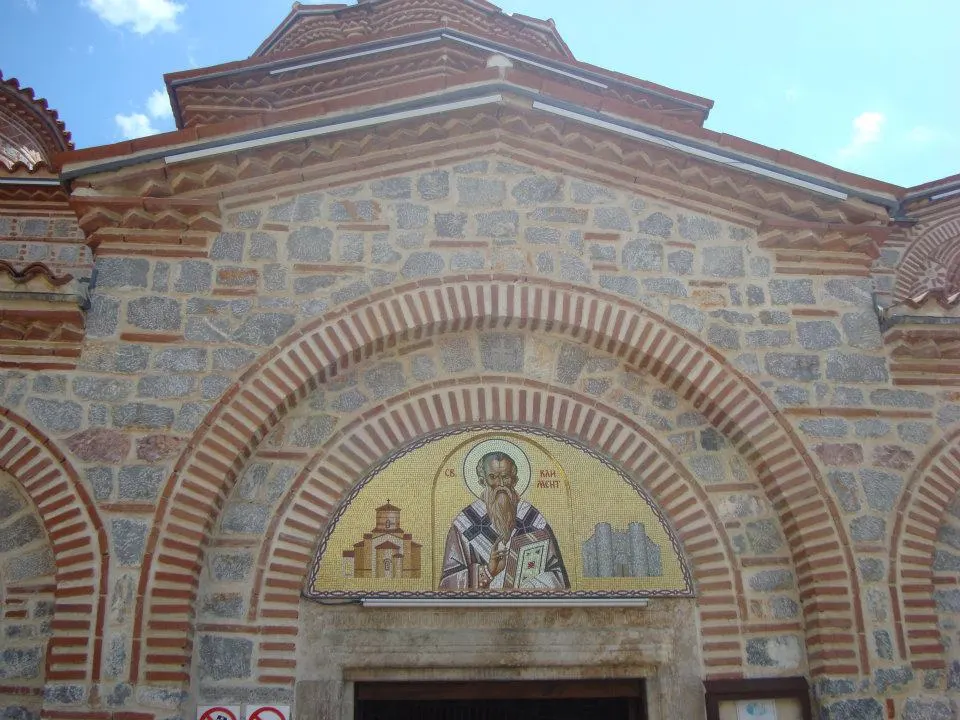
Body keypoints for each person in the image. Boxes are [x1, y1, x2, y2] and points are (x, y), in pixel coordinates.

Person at [439, 451, 569, 590]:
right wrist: (488, 571)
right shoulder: (464, 524)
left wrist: (528, 585)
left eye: (505, 477)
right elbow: (448, 583)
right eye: (493, 477)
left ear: (514, 480)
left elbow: (558, 576)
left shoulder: (533, 520)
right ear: (482, 481)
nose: (500, 484)